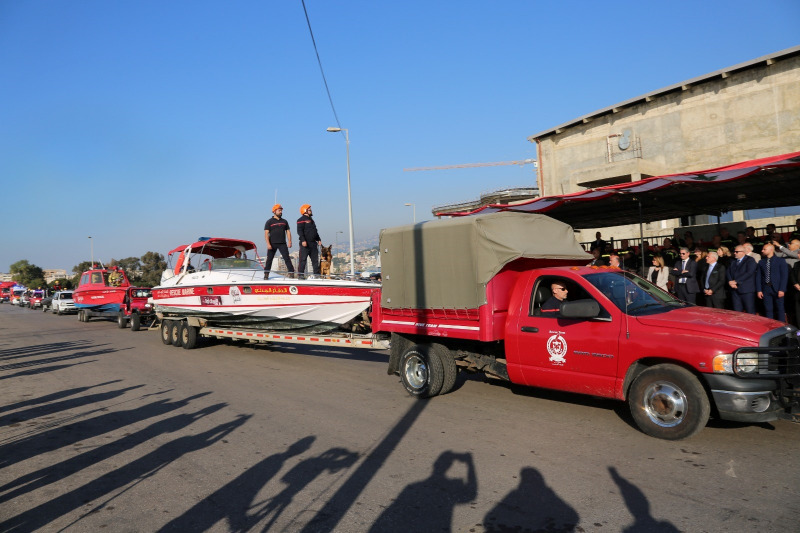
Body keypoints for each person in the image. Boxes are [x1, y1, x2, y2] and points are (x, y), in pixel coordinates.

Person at [756, 243, 789, 321]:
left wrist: (782, 289)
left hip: (777, 288)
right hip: (766, 288)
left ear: (771, 250)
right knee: (768, 309)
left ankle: (782, 327)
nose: (762, 250)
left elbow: (784, 276)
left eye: (764, 249)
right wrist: (759, 290)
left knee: (780, 308)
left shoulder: (780, 261)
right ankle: (770, 326)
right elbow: (758, 277)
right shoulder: (761, 262)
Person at [264, 204, 295, 278]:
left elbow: (288, 231)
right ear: (274, 211)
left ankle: (291, 273)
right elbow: (266, 233)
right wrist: (268, 244)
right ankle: (266, 274)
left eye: (281, 210)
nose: (281, 212)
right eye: (279, 210)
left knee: (287, 258)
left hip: (282, 243)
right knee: (269, 260)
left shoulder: (284, 221)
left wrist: (290, 241)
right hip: (272, 243)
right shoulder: (269, 222)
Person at [728, 245, 757, 314]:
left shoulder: (750, 260)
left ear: (743, 252)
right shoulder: (733, 261)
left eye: (737, 252)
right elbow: (728, 272)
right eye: (734, 251)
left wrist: (736, 281)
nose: (734, 253)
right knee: (737, 312)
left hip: (747, 290)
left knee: (750, 311)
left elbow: (749, 272)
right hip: (735, 290)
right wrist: (730, 281)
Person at [297, 203, 322, 278]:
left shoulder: (311, 220)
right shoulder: (300, 220)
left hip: (313, 243)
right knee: (303, 260)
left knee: (315, 260)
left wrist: (318, 239)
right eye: (309, 209)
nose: (311, 210)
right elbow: (300, 231)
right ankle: (300, 275)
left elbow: (315, 231)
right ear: (304, 211)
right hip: (305, 243)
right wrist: (303, 240)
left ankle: (317, 275)